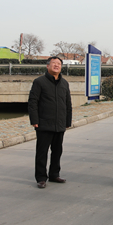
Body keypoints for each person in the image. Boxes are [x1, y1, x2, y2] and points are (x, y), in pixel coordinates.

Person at [28, 56, 72, 189]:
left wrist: (67, 121)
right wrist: (34, 120)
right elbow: (33, 102)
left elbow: (68, 104)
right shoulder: (39, 82)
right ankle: (41, 178)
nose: (56, 65)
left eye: (59, 64)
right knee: (42, 152)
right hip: (44, 123)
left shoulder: (64, 83)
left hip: (60, 124)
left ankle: (54, 174)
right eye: (54, 63)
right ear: (48, 66)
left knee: (57, 151)